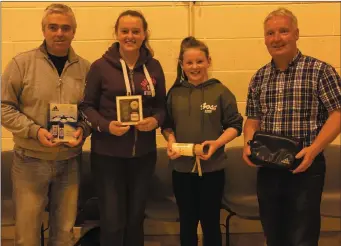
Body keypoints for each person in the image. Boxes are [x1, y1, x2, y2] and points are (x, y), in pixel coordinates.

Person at [243, 7, 341, 246]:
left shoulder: (320, 71)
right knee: (273, 234)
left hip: (305, 165)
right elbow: (253, 119)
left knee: (302, 237)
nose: (276, 38)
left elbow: (338, 113)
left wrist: (314, 150)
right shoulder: (259, 77)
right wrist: (248, 144)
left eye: (283, 31)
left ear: (297, 33)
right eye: (270, 33)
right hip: (268, 167)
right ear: (264, 39)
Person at [1, 3, 91, 246]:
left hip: (69, 163)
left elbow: (90, 112)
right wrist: (35, 131)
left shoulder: (87, 69)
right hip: (30, 162)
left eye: (65, 28)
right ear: (43, 30)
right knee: (27, 237)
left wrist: (84, 129)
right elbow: (3, 107)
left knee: (63, 235)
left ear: (74, 31)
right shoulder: (21, 64)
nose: (59, 33)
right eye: (53, 27)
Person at [79, 10, 166, 246]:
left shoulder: (154, 67)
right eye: (124, 31)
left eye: (135, 31)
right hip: (108, 158)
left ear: (144, 34)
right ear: (116, 34)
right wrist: (106, 126)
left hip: (143, 157)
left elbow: (162, 108)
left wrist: (154, 121)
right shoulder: (100, 67)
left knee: (136, 219)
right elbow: (86, 107)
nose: (130, 36)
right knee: (113, 220)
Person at [161, 36, 243, 246]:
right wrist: (171, 141)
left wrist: (216, 144)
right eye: (189, 62)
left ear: (208, 61)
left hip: (212, 170)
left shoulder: (221, 92)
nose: (195, 66)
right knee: (187, 221)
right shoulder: (174, 93)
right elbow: (167, 125)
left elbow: (235, 125)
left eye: (199, 61)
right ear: (182, 65)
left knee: (210, 221)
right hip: (182, 169)